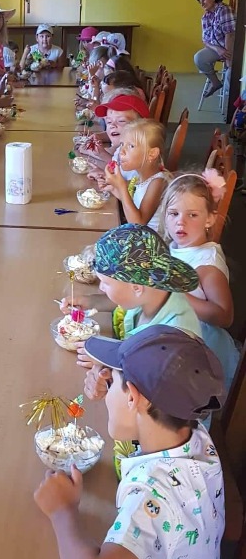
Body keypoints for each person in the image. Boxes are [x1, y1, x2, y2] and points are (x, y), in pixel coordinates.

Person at [35, 326, 225, 559]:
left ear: (135, 398)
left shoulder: (153, 495)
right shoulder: (195, 436)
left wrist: (62, 511)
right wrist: (118, 396)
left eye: (114, 383)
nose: (106, 391)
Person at [78, 223, 201, 401]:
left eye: (106, 283)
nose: (101, 288)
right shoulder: (152, 294)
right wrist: (90, 301)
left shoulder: (171, 342)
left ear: (136, 287)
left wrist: (112, 369)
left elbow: (150, 399)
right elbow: (123, 301)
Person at [160, 171, 240, 393]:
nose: (180, 221)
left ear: (210, 219)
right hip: (176, 336)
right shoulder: (178, 247)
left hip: (200, 353)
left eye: (192, 215)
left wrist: (175, 294)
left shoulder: (207, 265)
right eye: (173, 213)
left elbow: (224, 316)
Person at [104, 119, 171, 231]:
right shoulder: (139, 175)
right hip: (139, 235)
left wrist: (121, 186)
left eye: (131, 146)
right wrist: (113, 188)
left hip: (151, 239)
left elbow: (138, 223)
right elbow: (133, 203)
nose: (121, 151)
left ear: (152, 154)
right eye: (122, 144)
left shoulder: (158, 182)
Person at [85, 94, 151, 180]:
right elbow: (118, 166)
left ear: (142, 125)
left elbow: (134, 186)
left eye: (121, 121)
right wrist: (101, 153)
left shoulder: (142, 154)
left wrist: (106, 177)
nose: (112, 125)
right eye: (109, 122)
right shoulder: (123, 147)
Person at [194, 0, 236, 97]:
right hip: (217, 48)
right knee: (199, 58)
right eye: (200, 2)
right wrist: (218, 49)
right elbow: (205, 40)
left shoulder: (224, 9)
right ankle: (216, 83)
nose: (202, 3)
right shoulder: (205, 17)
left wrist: (228, 58)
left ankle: (230, 97)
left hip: (230, 46)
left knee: (231, 69)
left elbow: (230, 34)